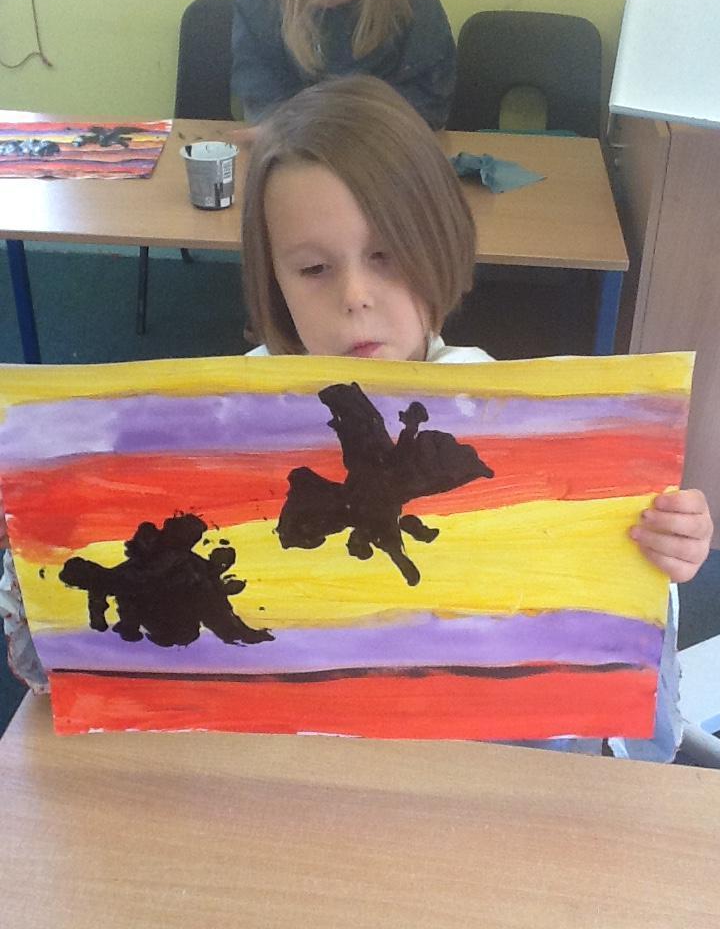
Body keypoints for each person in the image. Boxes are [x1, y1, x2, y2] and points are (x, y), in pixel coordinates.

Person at [238, 73, 713, 759]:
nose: (355, 296)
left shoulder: (495, 411)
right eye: (314, 269)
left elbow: (612, 608)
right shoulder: (237, 412)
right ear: (274, 280)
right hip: (304, 746)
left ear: (436, 244)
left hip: (467, 754)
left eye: (385, 255)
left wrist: (668, 547)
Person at [230, 0, 455, 136]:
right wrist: (280, 128)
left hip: (384, 147)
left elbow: (430, 99)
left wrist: (350, 128)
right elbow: (260, 92)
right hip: (293, 145)